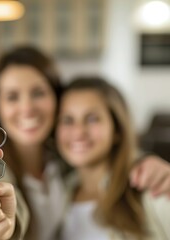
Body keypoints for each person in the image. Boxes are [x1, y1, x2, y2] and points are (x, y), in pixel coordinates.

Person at [0, 46, 170, 240]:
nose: (27, 108)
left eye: (38, 93)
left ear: (56, 99)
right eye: (12, 96)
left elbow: (106, 158)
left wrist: (140, 162)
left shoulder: (67, 167)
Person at [56, 76, 170, 239]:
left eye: (92, 119)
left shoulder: (150, 186)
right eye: (68, 120)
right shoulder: (60, 192)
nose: (78, 132)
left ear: (116, 128)